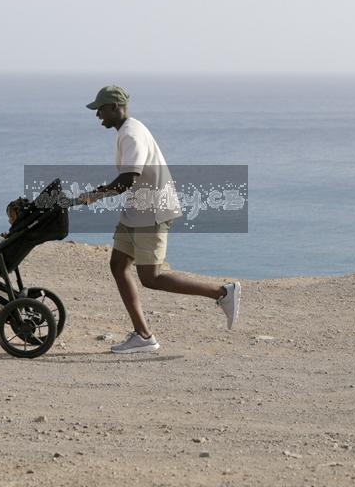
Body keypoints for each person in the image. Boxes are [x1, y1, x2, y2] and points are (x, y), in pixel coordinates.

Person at [77, 85, 240, 354]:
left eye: (101, 109)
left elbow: (129, 177)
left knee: (151, 277)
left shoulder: (132, 134)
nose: (98, 115)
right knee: (118, 265)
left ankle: (222, 292)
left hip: (152, 212)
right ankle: (143, 336)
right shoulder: (128, 130)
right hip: (136, 210)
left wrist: (96, 195)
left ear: (115, 107)